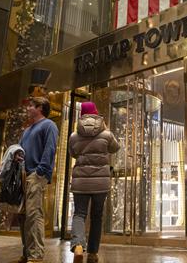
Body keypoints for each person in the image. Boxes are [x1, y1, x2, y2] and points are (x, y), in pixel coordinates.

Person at [69, 102, 120, 263]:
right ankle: (92, 253)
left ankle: (78, 245)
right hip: (101, 183)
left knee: (79, 214)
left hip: (81, 182)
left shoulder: (74, 136)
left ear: (82, 115)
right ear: (96, 113)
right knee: (97, 216)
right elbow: (115, 148)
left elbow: (73, 153)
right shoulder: (106, 133)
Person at [16, 97, 58, 263]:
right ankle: (27, 252)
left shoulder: (49, 125)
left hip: (36, 174)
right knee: (23, 216)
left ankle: (36, 255)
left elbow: (50, 148)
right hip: (23, 175)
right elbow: (20, 150)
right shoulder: (27, 130)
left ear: (40, 108)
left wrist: (41, 171)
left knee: (34, 214)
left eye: (31, 106)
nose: (28, 109)